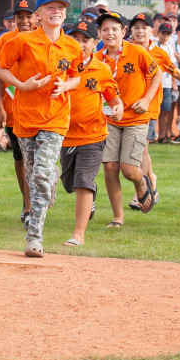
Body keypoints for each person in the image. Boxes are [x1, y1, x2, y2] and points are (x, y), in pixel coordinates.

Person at [0, 0, 83, 257]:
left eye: (61, 7)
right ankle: (49, 176)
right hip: (25, 118)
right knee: (34, 176)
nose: (56, 11)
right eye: (50, 7)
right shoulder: (23, 41)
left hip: (56, 118)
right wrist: (23, 85)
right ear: (38, 15)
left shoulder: (72, 46)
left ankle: (34, 236)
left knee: (41, 173)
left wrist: (65, 84)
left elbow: (77, 76)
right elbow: (0, 68)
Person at [59, 19, 122, 246]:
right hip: (64, 135)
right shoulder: (61, 66)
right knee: (69, 184)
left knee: (83, 181)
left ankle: (78, 234)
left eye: (86, 40)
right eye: (75, 39)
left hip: (93, 136)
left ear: (96, 43)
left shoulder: (102, 69)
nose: (80, 43)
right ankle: (90, 196)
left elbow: (115, 99)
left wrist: (117, 110)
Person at [128, 13, 180, 207]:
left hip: (149, 109)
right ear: (131, 31)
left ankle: (140, 193)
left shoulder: (159, 52)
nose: (140, 31)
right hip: (129, 108)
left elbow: (173, 70)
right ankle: (151, 178)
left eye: (144, 28)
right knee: (139, 151)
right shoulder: (126, 50)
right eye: (136, 27)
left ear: (151, 31)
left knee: (142, 148)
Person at [95, 10, 160, 226]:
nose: (110, 33)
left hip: (136, 118)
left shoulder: (137, 52)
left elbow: (157, 73)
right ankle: (117, 217)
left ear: (124, 32)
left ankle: (142, 183)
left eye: (115, 29)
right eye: (105, 29)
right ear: (100, 33)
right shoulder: (97, 59)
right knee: (110, 167)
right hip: (110, 120)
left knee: (129, 170)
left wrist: (146, 99)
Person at [0, 0, 36, 225]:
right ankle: (27, 205)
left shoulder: (45, 37)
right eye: (20, 16)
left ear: (36, 16)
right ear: (13, 19)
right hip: (13, 108)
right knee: (20, 158)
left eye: (29, 16)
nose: (24, 21)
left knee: (36, 159)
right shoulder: (5, 39)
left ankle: (35, 198)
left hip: (40, 110)